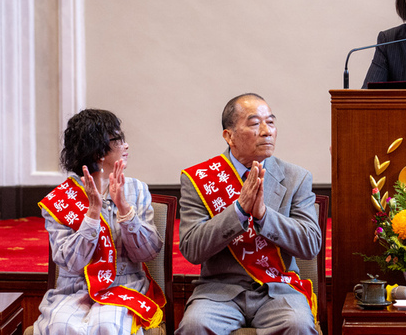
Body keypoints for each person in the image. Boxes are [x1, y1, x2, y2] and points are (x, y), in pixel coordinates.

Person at [176, 93, 322, 334]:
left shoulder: (297, 178)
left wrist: (264, 215)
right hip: (218, 290)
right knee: (195, 326)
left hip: (278, 288)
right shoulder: (200, 179)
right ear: (229, 135)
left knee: (298, 324)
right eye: (255, 124)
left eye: (271, 122)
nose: (267, 131)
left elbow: (310, 245)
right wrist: (238, 212)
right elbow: (192, 249)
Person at [34, 109, 165, 335]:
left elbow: (148, 252)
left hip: (123, 286)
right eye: (118, 139)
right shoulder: (61, 200)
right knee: (62, 326)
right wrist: (93, 213)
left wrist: (124, 208)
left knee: (108, 325)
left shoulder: (136, 189)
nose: (126, 146)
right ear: (99, 151)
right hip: (74, 289)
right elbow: (70, 263)